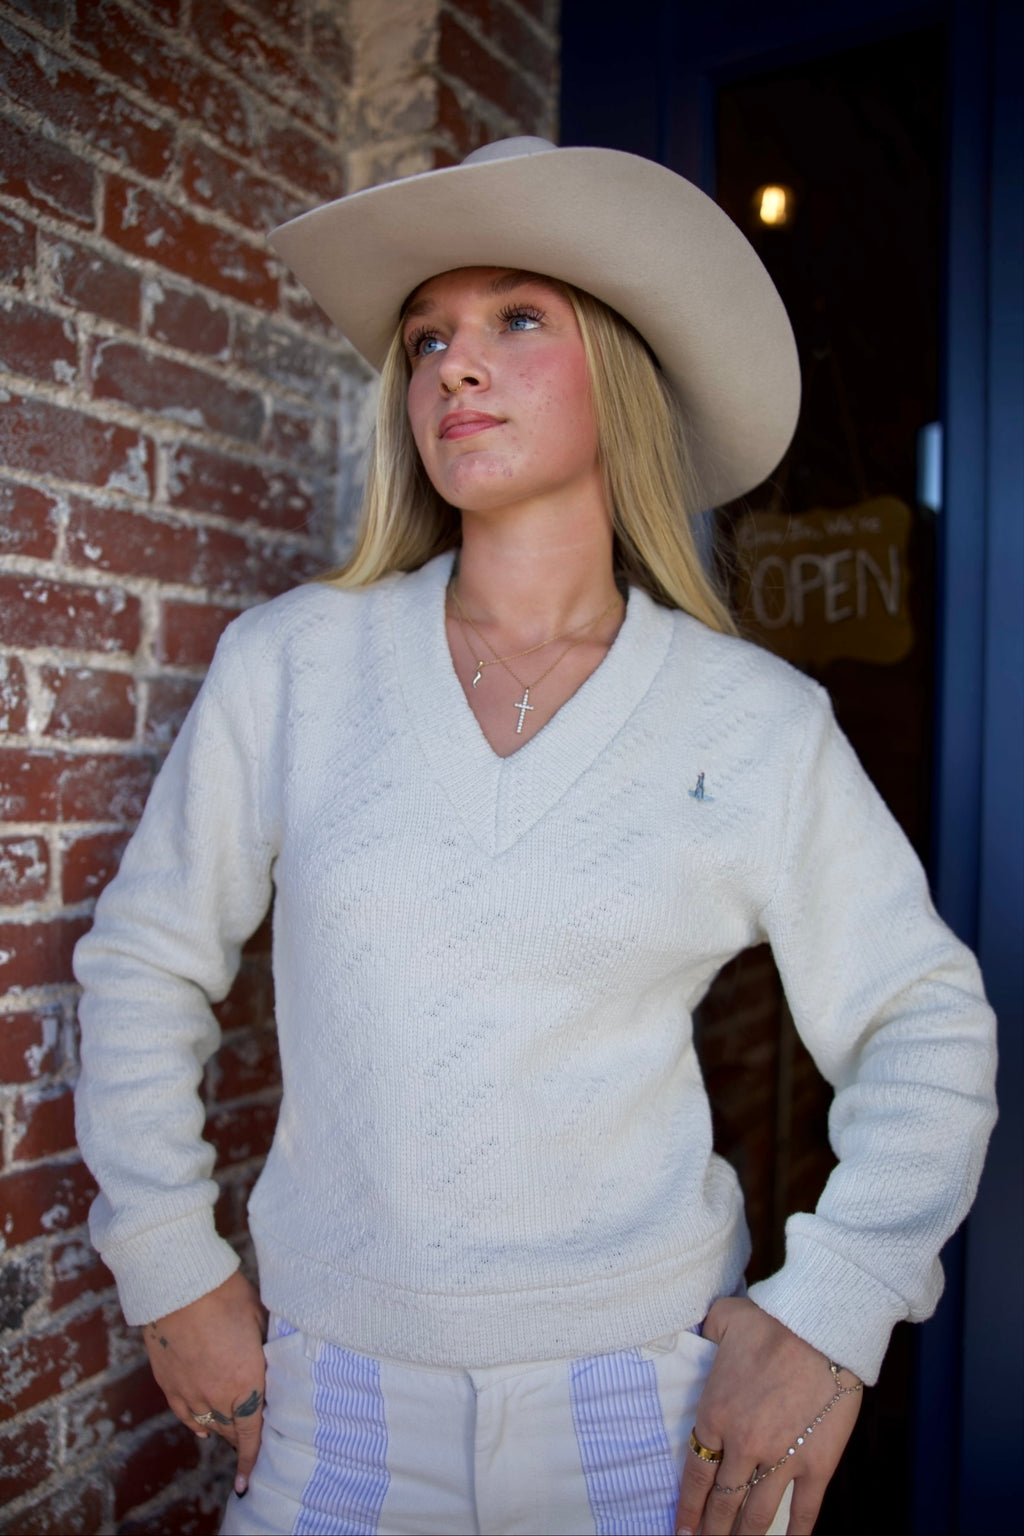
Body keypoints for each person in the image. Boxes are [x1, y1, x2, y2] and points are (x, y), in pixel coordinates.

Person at [73, 138, 997, 1536]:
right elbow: (144, 962)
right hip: (332, 1406)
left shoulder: (754, 720)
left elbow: (922, 1020)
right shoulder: (294, 664)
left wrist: (833, 1309)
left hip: (650, 1416)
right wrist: (169, 1267)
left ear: (619, 372)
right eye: (428, 336)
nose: (455, 365)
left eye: (516, 318)